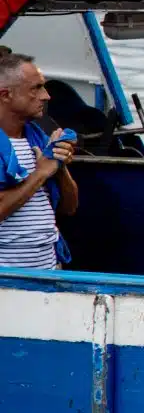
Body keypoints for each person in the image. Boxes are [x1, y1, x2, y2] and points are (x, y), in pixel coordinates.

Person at [0, 53, 77, 270]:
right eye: (36, 88)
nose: (46, 96)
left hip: (49, 269)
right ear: (6, 95)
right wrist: (41, 172)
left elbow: (69, 207)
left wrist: (59, 167)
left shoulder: (39, 139)